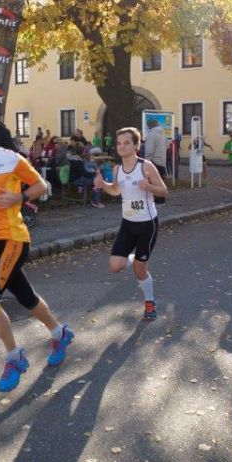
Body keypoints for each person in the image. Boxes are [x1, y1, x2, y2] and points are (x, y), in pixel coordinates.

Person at [0, 110, 74, 393]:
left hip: (13, 239)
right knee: (25, 295)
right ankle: (60, 333)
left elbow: (41, 186)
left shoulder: (10, 159)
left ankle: (14, 357)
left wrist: (19, 197)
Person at [94, 127, 168, 320]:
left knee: (139, 269)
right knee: (115, 266)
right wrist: (104, 186)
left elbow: (164, 191)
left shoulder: (146, 166)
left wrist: (150, 187)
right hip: (127, 224)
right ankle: (136, 257)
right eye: (119, 143)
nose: (122, 146)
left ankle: (150, 302)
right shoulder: (117, 169)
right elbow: (116, 191)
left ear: (136, 145)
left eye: (127, 142)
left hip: (147, 225)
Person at [144, 118, 167, 204]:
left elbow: (149, 150)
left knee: (153, 182)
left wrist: (146, 160)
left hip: (153, 161)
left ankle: (156, 201)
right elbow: (167, 147)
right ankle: (162, 200)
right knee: (160, 181)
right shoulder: (163, 134)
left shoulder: (152, 134)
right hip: (162, 160)